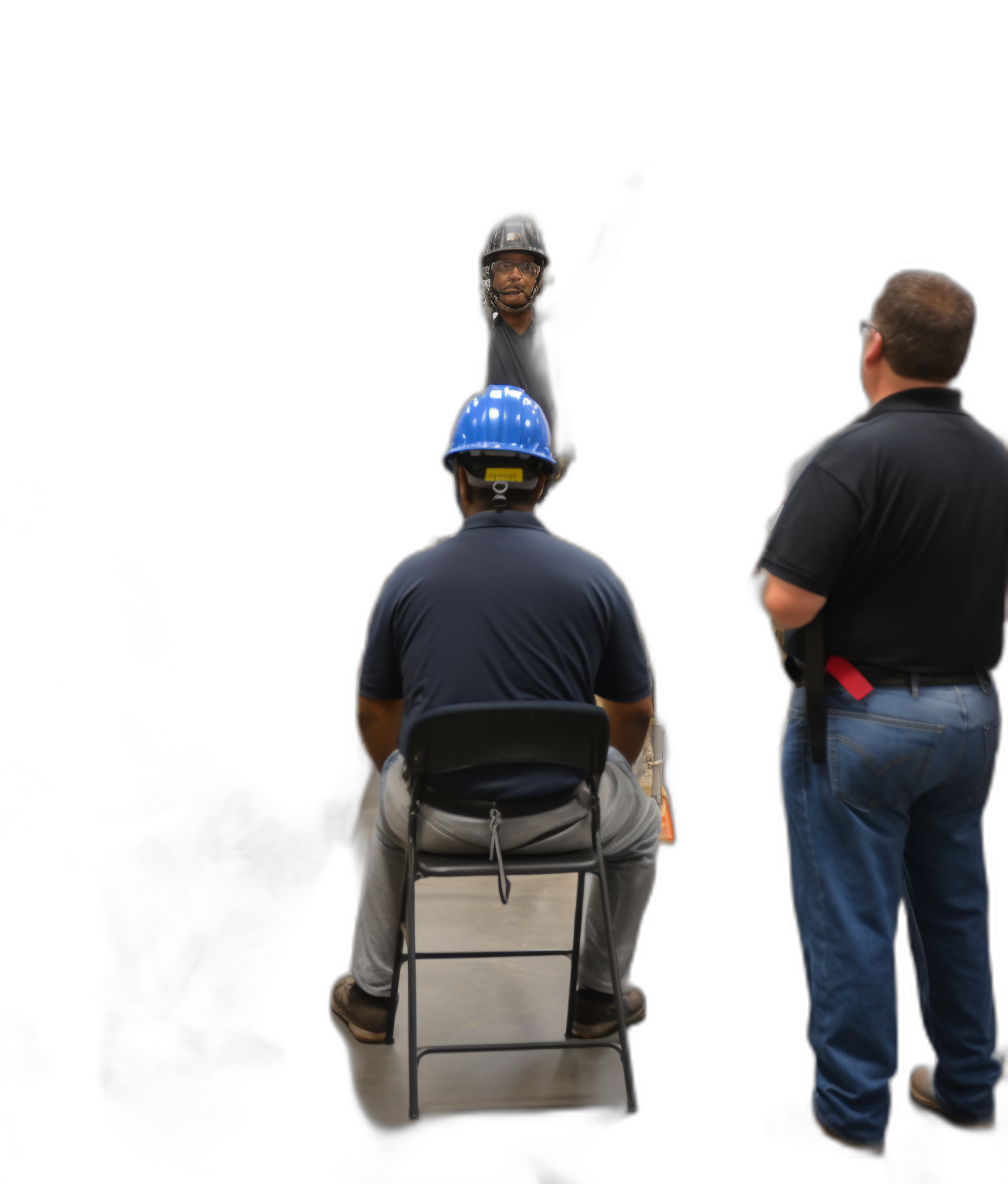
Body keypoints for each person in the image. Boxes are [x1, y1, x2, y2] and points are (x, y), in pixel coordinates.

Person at [754, 270, 1008, 1156]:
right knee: (955, 907)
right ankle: (970, 1088)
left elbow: (787, 601)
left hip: (863, 716)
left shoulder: (845, 458)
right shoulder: (997, 456)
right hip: (972, 715)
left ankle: (856, 1116)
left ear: (875, 346)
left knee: (852, 917)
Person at [330, 386, 660, 1043]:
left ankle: (370, 996)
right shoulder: (597, 580)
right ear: (542, 483)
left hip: (438, 820)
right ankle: (597, 997)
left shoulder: (408, 579)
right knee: (642, 829)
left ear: (460, 480)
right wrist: (604, 778)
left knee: (382, 798)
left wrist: (406, 774)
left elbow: (373, 716)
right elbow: (633, 711)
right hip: (565, 820)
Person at [479, 216, 575, 501]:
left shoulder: (558, 342)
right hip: (486, 495)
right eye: (504, 266)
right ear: (490, 276)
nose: (515, 275)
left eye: (526, 267)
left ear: (538, 278)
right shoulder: (485, 340)